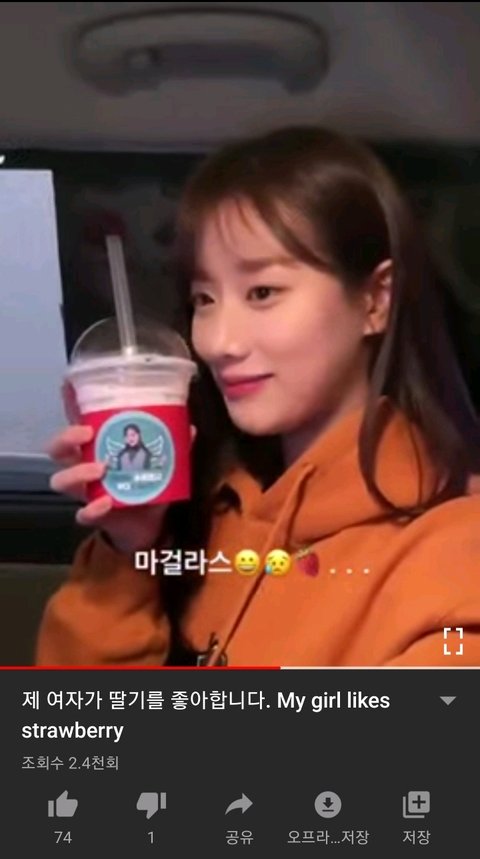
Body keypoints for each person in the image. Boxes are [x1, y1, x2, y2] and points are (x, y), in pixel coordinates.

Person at [37, 126, 480, 667]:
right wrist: (129, 550)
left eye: (263, 292)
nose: (218, 343)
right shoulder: (216, 513)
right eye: (204, 298)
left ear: (375, 300)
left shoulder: (455, 549)